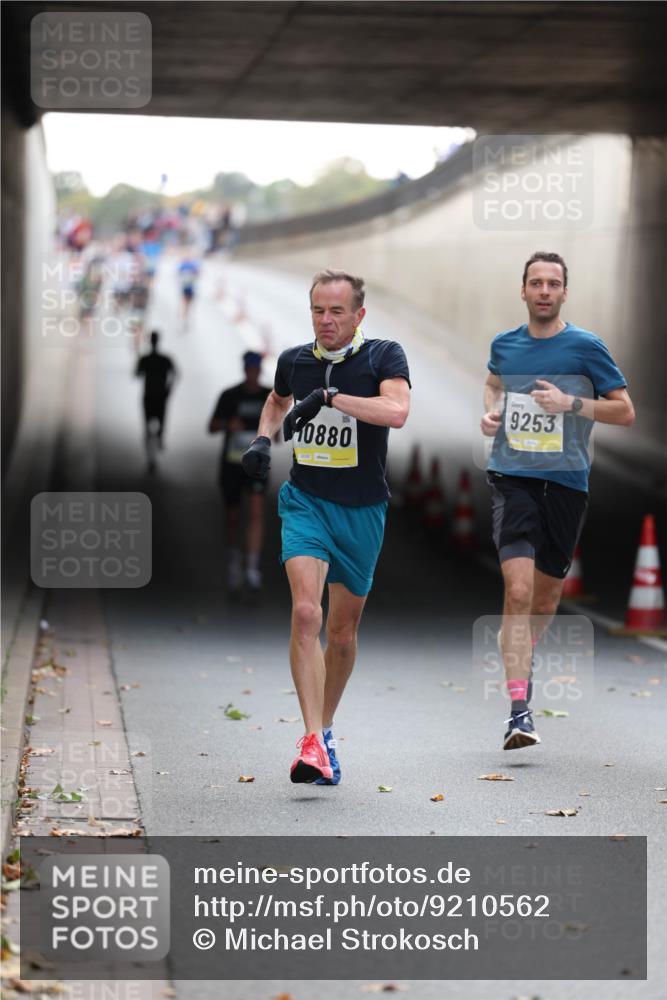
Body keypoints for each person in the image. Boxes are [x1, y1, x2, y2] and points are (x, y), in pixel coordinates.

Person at [241, 269, 411, 784]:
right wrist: (262, 440)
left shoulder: (384, 356)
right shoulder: (295, 360)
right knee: (307, 612)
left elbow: (397, 411)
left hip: (362, 512)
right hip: (306, 502)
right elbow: (277, 399)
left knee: (341, 633)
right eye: (318, 310)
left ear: (358, 315)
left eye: (337, 311)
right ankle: (311, 741)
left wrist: (333, 398)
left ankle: (327, 728)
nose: (326, 320)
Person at [481, 251, 634, 750]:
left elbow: (624, 412)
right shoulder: (504, 346)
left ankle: (524, 658)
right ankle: (518, 713)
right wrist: (492, 413)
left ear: (565, 292)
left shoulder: (586, 348)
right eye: (535, 283)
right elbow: (492, 384)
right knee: (518, 592)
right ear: (521, 291)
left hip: (567, 484)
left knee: (544, 600)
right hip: (513, 478)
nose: (544, 291)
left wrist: (571, 403)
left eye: (553, 284)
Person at [208, 352, 271, 597]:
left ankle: (252, 568)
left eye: (256, 369)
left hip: (257, 465)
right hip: (232, 464)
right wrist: (227, 424)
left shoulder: (269, 397)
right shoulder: (229, 395)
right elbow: (211, 426)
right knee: (233, 516)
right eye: (249, 368)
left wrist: (267, 431)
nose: (252, 373)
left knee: (256, 512)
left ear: (260, 370)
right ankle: (234, 562)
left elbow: (277, 433)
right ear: (245, 369)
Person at [135, 331, 178, 471]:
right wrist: (169, 389)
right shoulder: (165, 359)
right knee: (161, 421)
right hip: (161, 396)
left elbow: (137, 374)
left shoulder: (145, 359)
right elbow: (176, 374)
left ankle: (150, 457)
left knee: (147, 427)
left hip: (148, 396)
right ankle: (160, 438)